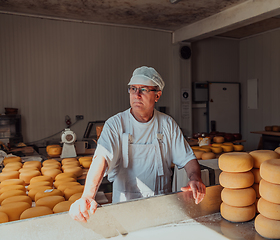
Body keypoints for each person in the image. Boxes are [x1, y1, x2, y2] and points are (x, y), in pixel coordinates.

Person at [69, 66, 206, 222]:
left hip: (161, 205)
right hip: (125, 208)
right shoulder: (115, 124)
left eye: (143, 89)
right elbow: (101, 158)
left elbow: (188, 158)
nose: (137, 94)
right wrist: (87, 195)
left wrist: (195, 178)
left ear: (157, 95)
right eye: (133, 88)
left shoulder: (167, 124)